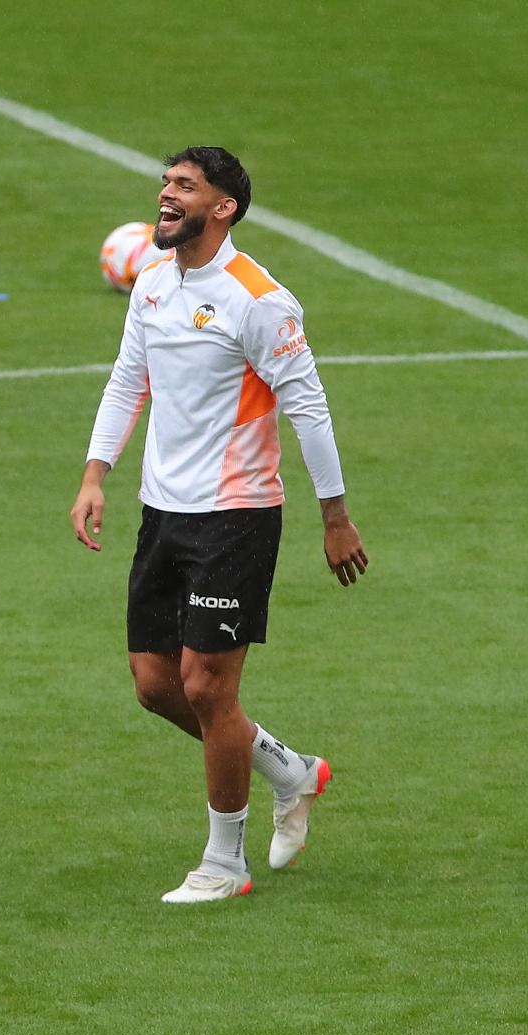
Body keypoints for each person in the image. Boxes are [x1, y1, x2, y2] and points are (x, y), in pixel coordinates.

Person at [69, 146, 369, 904]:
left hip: (237, 515)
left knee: (208, 688)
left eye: (184, 186)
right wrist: (95, 474)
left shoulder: (258, 300)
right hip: (163, 512)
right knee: (154, 684)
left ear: (223, 207)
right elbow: (127, 378)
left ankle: (224, 864)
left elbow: (309, 408)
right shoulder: (153, 280)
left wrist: (334, 516)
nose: (165, 195)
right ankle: (288, 771)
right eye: (166, 183)